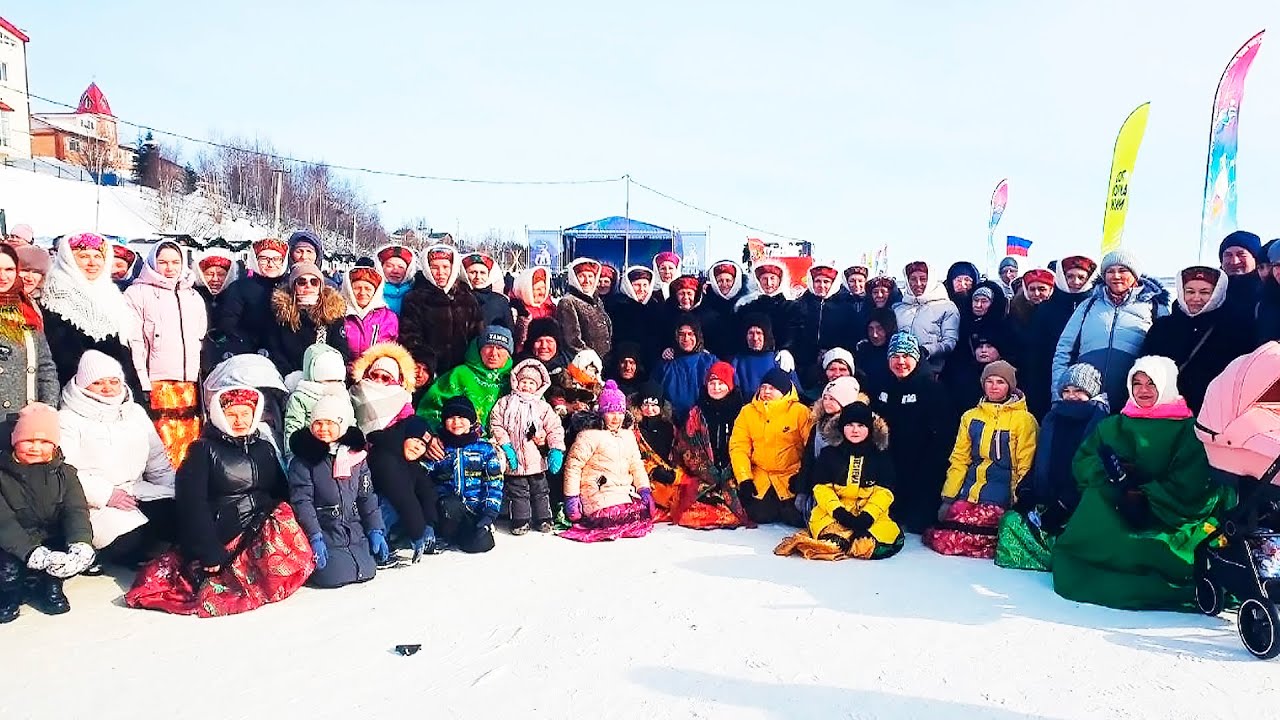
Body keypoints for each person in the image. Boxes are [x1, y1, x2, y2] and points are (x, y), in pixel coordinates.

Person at [1052, 356, 1230, 611]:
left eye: (1151, 383)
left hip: (1169, 512)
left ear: (1166, 384)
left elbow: (1192, 481)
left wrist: (1145, 495)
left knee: (1163, 548)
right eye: (1137, 383)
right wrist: (1112, 475)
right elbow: (1084, 461)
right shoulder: (1114, 424)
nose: (1143, 390)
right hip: (1119, 508)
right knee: (1094, 501)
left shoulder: (1188, 429)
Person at [126, 386, 315, 617]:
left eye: (245, 414)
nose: (240, 421)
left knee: (283, 514)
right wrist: (208, 550)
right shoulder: (202, 450)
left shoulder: (263, 447)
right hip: (223, 532)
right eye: (232, 415)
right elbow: (192, 505)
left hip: (257, 527)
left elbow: (280, 492)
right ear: (219, 415)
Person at [59, 350, 175, 566]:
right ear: (83, 384)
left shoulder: (136, 412)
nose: (108, 388)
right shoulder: (67, 419)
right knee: (131, 539)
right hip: (96, 503)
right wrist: (106, 494)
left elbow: (157, 459)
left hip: (137, 490)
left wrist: (176, 490)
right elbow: (66, 472)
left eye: (114, 381)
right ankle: (96, 556)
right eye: (98, 383)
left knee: (182, 515)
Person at [924, 360, 1037, 559]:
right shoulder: (971, 416)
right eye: (990, 381)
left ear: (1010, 386)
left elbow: (1024, 465)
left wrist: (1017, 503)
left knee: (975, 536)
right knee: (946, 538)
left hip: (999, 496)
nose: (994, 386)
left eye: (1000, 382)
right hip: (970, 491)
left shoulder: (1024, 420)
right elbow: (960, 459)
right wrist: (948, 498)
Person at [0, 403, 95, 622]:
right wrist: (30, 552)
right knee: (9, 570)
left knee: (58, 559)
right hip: (12, 541)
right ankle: (8, 595)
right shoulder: (3, 475)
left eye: (44, 442)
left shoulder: (65, 474)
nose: (35, 447)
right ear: (15, 440)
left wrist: (80, 542)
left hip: (48, 536)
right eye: (28, 440)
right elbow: (3, 522)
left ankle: (49, 587)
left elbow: (75, 510)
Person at [775, 402, 903, 560]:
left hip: (870, 513)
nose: (855, 430)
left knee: (869, 545)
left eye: (861, 425)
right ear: (842, 427)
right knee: (833, 542)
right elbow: (821, 488)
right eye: (850, 424)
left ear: (870, 428)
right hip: (833, 512)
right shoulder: (829, 454)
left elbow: (884, 492)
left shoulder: (880, 456)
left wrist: (868, 516)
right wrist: (839, 512)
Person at [1003, 363, 1108, 552]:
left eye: (1078, 390)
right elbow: (1041, 459)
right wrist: (1027, 491)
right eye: (1066, 390)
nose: (1071, 395)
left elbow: (1094, 472)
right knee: (1010, 522)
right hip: (1048, 497)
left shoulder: (1100, 423)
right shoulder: (1052, 418)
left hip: (1078, 503)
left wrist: (1064, 505)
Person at [1052, 250, 1169, 413]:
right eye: (1110, 271)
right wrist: (1058, 395)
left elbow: (1166, 358)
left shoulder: (1155, 308)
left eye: (1123, 271)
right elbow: (1064, 350)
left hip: (1132, 400)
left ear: (1135, 275)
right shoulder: (1088, 306)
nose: (1116, 276)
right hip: (1086, 399)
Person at [124, 240, 208, 467]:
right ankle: (164, 489)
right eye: (163, 262)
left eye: (175, 262)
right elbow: (135, 340)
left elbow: (199, 336)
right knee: (163, 441)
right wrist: (141, 379)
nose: (169, 268)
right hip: (158, 382)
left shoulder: (193, 297)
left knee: (190, 441)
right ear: (153, 263)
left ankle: (186, 486)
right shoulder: (138, 293)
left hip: (188, 383)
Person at [287, 394, 384, 588]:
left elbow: (366, 496)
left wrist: (375, 528)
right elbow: (302, 501)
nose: (323, 429)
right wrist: (314, 536)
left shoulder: (356, 457)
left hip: (354, 528)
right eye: (318, 423)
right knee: (333, 576)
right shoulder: (304, 460)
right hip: (324, 530)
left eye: (330, 423)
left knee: (367, 570)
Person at [38, 232, 144, 401]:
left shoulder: (112, 295)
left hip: (116, 389)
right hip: (76, 391)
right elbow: (61, 353)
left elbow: (123, 348)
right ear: (69, 259)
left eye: (97, 256)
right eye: (84, 256)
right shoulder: (55, 297)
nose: (92, 263)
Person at [872, 332, 955, 534]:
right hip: (888, 463)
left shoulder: (931, 387)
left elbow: (944, 433)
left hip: (922, 467)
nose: (901, 362)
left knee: (918, 525)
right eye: (895, 356)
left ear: (916, 358)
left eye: (906, 356)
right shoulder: (880, 384)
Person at [1141, 265, 1253, 413]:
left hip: (1213, 414)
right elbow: (1144, 370)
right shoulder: (1162, 327)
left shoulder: (1236, 328)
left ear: (1218, 293)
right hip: (1167, 413)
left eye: (1205, 292)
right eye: (1190, 291)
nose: (1196, 298)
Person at [561, 381, 654, 542]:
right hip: (597, 491)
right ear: (602, 412)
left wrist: (644, 489)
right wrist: (572, 497)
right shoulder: (589, 435)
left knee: (638, 515)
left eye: (619, 413)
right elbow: (573, 466)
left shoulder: (628, 435)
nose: (616, 418)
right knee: (612, 517)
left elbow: (636, 465)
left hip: (623, 491)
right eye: (611, 412)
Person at [670, 363, 752, 529]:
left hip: (734, 474)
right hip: (704, 475)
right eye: (712, 383)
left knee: (747, 505)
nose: (716, 387)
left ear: (729, 386)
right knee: (689, 510)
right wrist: (709, 472)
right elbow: (686, 446)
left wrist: (730, 471)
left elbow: (749, 444)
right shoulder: (696, 413)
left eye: (721, 383)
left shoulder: (742, 412)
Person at [490, 359, 566, 535]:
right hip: (514, 459)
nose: (526, 386)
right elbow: (496, 424)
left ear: (538, 386)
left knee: (540, 490)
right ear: (516, 382)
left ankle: (543, 518)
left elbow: (554, 428)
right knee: (517, 491)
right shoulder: (506, 403)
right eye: (523, 381)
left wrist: (555, 449)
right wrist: (506, 446)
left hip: (535, 460)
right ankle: (520, 519)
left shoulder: (542, 406)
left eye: (531, 383)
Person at [729, 368, 811, 527]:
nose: (766, 391)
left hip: (790, 476)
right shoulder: (747, 412)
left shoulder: (800, 412)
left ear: (784, 391)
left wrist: (803, 479)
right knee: (759, 515)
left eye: (772, 388)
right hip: (762, 475)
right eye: (763, 387)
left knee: (796, 518)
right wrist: (744, 478)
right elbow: (739, 447)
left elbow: (811, 449)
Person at [789, 376, 877, 517]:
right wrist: (802, 490)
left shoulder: (857, 427)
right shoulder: (818, 425)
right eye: (826, 398)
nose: (827, 403)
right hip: (822, 485)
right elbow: (809, 460)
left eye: (833, 399)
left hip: (852, 490)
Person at [1023, 255, 1098, 419]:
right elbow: (1035, 352)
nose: (1075, 282)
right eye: (1070, 276)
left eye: (1081, 277)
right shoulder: (1046, 309)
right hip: (1047, 377)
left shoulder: (1097, 306)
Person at [426, 396, 503, 554]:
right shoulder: (440, 447)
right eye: (451, 418)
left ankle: (472, 532)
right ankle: (444, 535)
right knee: (449, 505)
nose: (456, 422)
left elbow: (494, 483)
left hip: (475, 511)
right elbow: (425, 476)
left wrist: (489, 514)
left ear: (471, 420)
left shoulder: (484, 449)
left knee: (482, 544)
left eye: (461, 417)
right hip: (447, 510)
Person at [400, 244, 485, 373]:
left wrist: (470, 367)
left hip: (462, 371)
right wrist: (425, 366)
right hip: (428, 371)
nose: (441, 273)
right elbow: (411, 338)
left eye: (446, 267)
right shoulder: (415, 298)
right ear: (427, 269)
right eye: (434, 267)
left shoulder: (467, 298)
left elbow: (476, 336)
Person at [366, 415, 439, 557]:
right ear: (403, 436)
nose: (418, 447)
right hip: (368, 515)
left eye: (423, 445)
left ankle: (395, 537)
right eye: (415, 440)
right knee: (390, 504)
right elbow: (403, 496)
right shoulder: (385, 456)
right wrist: (418, 534)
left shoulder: (411, 463)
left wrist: (429, 524)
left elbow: (427, 491)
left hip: (390, 511)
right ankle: (376, 547)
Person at [418, 325, 514, 429]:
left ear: (508, 354)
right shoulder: (459, 375)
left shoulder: (516, 380)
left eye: (500, 348)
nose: (494, 353)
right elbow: (430, 408)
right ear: (479, 349)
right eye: (489, 347)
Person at [0, 245, 57, 419]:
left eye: (9, 269)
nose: (3, 276)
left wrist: (48, 409)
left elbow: (45, 366)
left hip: (24, 421)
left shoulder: (27, 309)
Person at [265, 261, 350, 378]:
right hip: (288, 376)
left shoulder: (332, 313)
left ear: (320, 286)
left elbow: (341, 352)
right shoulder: (281, 313)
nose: (308, 286)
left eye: (314, 282)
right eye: (302, 282)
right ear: (294, 286)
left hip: (323, 376)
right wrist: (290, 375)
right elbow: (275, 350)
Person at [216, 237, 289, 357]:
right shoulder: (240, 288)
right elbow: (228, 323)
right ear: (255, 260)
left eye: (276, 259)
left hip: (286, 356)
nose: (271, 264)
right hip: (249, 355)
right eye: (264, 259)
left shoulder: (292, 286)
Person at [894, 260, 960, 376]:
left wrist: (926, 350)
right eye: (913, 279)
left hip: (931, 370)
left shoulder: (946, 307)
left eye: (923, 279)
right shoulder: (899, 308)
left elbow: (950, 342)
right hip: (900, 369)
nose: (918, 283)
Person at [283, 343, 353, 446]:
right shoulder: (302, 396)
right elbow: (293, 426)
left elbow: (350, 421)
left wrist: (352, 449)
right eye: (326, 380)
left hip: (339, 450)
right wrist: (292, 455)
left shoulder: (341, 394)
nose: (330, 384)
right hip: (310, 449)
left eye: (335, 380)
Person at [654, 317, 718, 423]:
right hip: (672, 425)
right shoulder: (665, 365)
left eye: (691, 334)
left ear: (698, 336)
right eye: (681, 334)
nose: (686, 338)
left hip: (705, 425)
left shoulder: (710, 362)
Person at [350, 342, 416, 435]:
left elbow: (406, 428)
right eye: (374, 375)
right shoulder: (356, 391)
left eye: (385, 378)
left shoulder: (404, 401)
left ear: (396, 380)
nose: (378, 380)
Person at [736, 260, 801, 353]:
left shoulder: (790, 307)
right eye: (764, 278)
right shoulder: (748, 307)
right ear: (758, 281)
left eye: (772, 278)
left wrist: (786, 350)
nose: (769, 283)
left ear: (780, 280)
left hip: (781, 357)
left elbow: (795, 334)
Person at [556, 258, 614, 360]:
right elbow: (572, 341)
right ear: (574, 278)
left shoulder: (596, 300)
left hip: (604, 362)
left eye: (590, 276)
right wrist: (591, 359)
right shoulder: (568, 302)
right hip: (584, 364)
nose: (587, 280)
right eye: (582, 276)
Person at [730, 313, 797, 399]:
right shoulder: (737, 362)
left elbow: (795, 392)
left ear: (766, 335)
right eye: (751, 333)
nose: (755, 338)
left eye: (759, 333)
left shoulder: (779, 359)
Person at [611, 266, 662, 373]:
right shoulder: (618, 305)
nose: (642, 289)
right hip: (625, 363)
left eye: (645, 285)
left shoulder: (655, 306)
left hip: (650, 362)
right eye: (637, 285)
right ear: (628, 286)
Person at [341, 265, 399, 357]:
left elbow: (393, 350)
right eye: (357, 288)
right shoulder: (339, 315)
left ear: (375, 291)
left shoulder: (388, 318)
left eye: (368, 289)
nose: (362, 293)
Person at [701, 259, 753, 359]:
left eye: (728, 280)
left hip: (740, 358)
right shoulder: (706, 303)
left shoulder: (746, 304)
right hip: (712, 358)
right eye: (720, 281)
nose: (724, 284)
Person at [1217, 230, 1263, 326]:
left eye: (1241, 254)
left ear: (1255, 259)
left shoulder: (1270, 291)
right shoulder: (1208, 289)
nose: (1234, 261)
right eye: (1228, 255)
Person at [510, 266, 556, 353]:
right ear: (527, 290)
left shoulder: (551, 308)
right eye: (538, 289)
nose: (542, 292)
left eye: (544, 288)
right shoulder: (517, 310)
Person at [854, 308, 897, 398]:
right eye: (870, 329)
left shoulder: (897, 354)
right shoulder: (863, 351)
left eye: (879, 329)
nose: (874, 335)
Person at [463, 252, 513, 329]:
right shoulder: (456, 298)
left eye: (482, 273)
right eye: (473, 272)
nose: (478, 277)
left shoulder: (500, 301)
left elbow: (509, 332)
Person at [519, 317, 570, 384]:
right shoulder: (520, 366)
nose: (544, 346)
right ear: (531, 344)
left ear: (557, 344)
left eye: (549, 341)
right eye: (539, 341)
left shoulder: (569, 365)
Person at [375, 244, 417, 315]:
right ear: (381, 268)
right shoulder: (372, 293)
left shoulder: (416, 292)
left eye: (400, 267)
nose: (395, 271)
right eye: (389, 266)